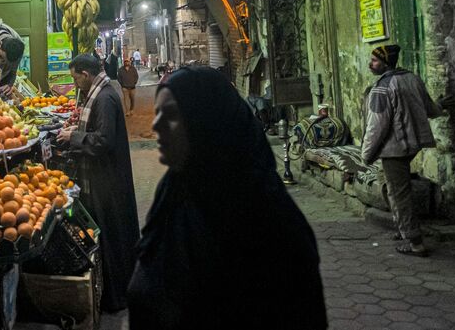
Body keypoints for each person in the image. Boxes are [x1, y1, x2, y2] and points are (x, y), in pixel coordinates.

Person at [128, 66, 326, 329]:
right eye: (158, 112)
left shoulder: (267, 224)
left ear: (207, 124)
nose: (156, 125)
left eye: (172, 115)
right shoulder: (174, 192)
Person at [56, 54, 139, 312]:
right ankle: (117, 293)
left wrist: (74, 136)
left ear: (86, 74)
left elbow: (103, 141)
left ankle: (116, 298)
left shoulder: (103, 98)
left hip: (108, 180)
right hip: (109, 177)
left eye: (75, 78)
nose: (75, 83)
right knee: (113, 235)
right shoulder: (103, 92)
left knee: (112, 237)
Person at [362, 44, 449, 257]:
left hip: (394, 149)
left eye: (374, 61)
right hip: (412, 145)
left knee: (399, 193)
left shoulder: (382, 87)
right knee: (395, 189)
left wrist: (366, 154)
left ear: (385, 63)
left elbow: (377, 126)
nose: (370, 64)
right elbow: (428, 108)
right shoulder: (412, 78)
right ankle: (403, 230)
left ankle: (415, 242)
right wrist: (441, 106)